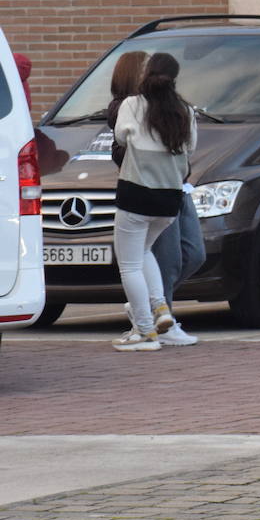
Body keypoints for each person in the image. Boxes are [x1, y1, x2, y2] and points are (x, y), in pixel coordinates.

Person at [107, 52, 201, 347]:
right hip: (169, 200)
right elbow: (192, 146)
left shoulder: (132, 105)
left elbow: (121, 137)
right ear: (174, 79)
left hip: (136, 195)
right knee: (145, 252)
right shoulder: (185, 110)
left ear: (146, 74)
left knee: (130, 266)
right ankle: (160, 308)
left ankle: (145, 330)